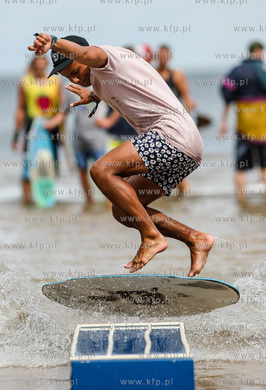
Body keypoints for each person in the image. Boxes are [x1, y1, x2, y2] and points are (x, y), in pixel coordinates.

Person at [28, 33, 214, 277]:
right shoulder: (101, 80)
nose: (75, 78)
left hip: (173, 136)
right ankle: (195, 238)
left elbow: (86, 54)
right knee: (124, 210)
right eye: (68, 77)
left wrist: (53, 41)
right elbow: (124, 85)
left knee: (100, 170)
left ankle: (151, 237)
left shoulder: (108, 56)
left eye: (75, 70)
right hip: (187, 148)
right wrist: (93, 96)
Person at [13, 56, 64, 203]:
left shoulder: (56, 81)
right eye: (37, 63)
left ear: (46, 64)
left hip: (51, 128)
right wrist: (16, 135)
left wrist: (56, 122)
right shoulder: (25, 81)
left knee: (50, 164)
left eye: (43, 63)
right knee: (29, 164)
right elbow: (20, 109)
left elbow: (62, 108)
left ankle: (47, 198)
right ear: (33, 64)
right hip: (32, 127)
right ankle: (27, 200)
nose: (40, 66)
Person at [220, 41, 266, 202]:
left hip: (245, 125)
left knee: (240, 166)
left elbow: (226, 91)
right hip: (263, 126)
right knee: (264, 165)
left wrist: (224, 121)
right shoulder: (263, 71)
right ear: (259, 51)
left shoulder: (238, 71)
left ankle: (240, 199)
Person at [156, 45, 198, 195]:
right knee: (161, 162)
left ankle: (185, 195)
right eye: (160, 55)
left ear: (170, 57)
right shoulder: (152, 74)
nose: (162, 58)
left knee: (174, 161)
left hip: (175, 123)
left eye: (165, 55)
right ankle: (169, 194)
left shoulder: (177, 76)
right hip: (157, 123)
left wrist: (189, 124)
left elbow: (187, 100)